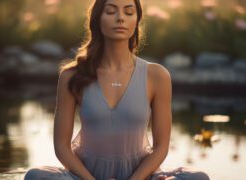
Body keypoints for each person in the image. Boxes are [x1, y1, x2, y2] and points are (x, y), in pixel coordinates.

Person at [24, 0, 210, 179]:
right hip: (84, 174)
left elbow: (161, 147)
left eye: (129, 12)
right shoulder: (72, 75)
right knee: (35, 176)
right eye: (111, 11)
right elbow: (61, 147)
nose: (120, 18)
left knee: (198, 178)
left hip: (141, 174)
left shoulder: (157, 75)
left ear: (136, 20)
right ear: (97, 19)